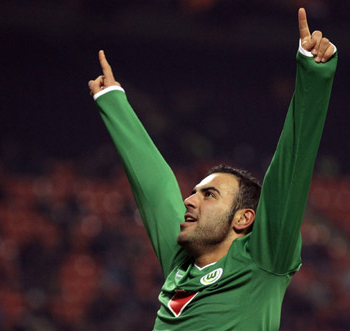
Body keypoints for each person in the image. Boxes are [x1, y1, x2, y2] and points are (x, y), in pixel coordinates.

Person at [88, 8, 337, 330]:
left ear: (244, 218)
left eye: (209, 195)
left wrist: (313, 79)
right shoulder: (182, 262)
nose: (189, 201)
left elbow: (292, 168)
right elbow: (156, 189)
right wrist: (112, 100)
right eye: (194, 193)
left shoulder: (263, 260)